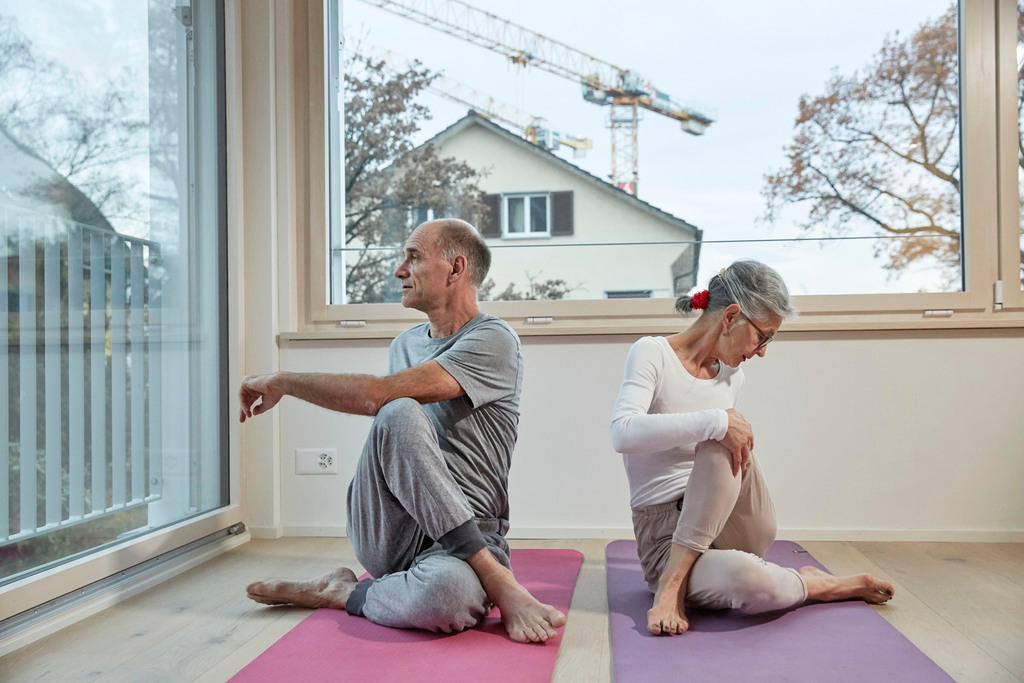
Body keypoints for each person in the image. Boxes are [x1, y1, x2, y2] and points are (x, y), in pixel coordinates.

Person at [239, 218, 566, 643]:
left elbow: (375, 395)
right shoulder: (404, 345)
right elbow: (386, 410)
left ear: (455, 268)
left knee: (447, 597)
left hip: (470, 533)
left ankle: (344, 592)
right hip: (388, 528)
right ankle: (495, 578)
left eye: (413, 257)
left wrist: (285, 381)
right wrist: (285, 380)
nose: (399, 270)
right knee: (397, 413)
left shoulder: (494, 339)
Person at [609, 260, 894, 636]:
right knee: (756, 584)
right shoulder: (652, 353)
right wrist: (716, 421)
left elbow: (725, 444)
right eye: (763, 337)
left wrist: (721, 423)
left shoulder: (733, 375)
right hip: (665, 533)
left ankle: (677, 585)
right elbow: (623, 434)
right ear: (730, 316)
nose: (762, 351)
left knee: (728, 429)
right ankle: (817, 584)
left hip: (736, 522)